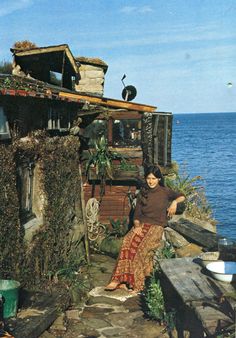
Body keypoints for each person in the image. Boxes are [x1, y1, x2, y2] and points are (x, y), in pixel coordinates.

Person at [105, 165, 185, 293]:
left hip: (156, 227)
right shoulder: (143, 192)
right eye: (148, 178)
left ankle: (138, 284)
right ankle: (118, 279)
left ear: (159, 179)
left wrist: (174, 203)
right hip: (141, 225)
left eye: (153, 178)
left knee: (139, 249)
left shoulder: (165, 191)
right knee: (127, 242)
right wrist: (136, 226)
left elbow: (181, 196)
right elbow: (136, 215)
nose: (151, 181)